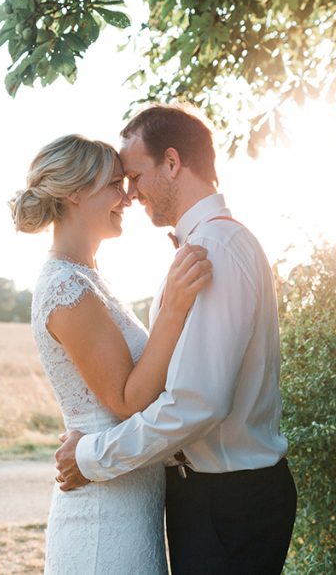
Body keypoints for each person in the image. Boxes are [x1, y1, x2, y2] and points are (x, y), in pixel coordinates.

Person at [54, 104, 297, 574]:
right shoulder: (204, 245)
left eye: (134, 175)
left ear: (171, 162)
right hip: (213, 496)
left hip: (229, 500)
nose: (129, 192)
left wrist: (92, 456)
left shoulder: (217, 249)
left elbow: (196, 403)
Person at [11, 134, 213, 574]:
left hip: (126, 500)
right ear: (75, 192)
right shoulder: (67, 288)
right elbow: (125, 399)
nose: (127, 197)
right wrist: (174, 309)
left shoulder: (88, 278)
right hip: (103, 519)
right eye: (114, 185)